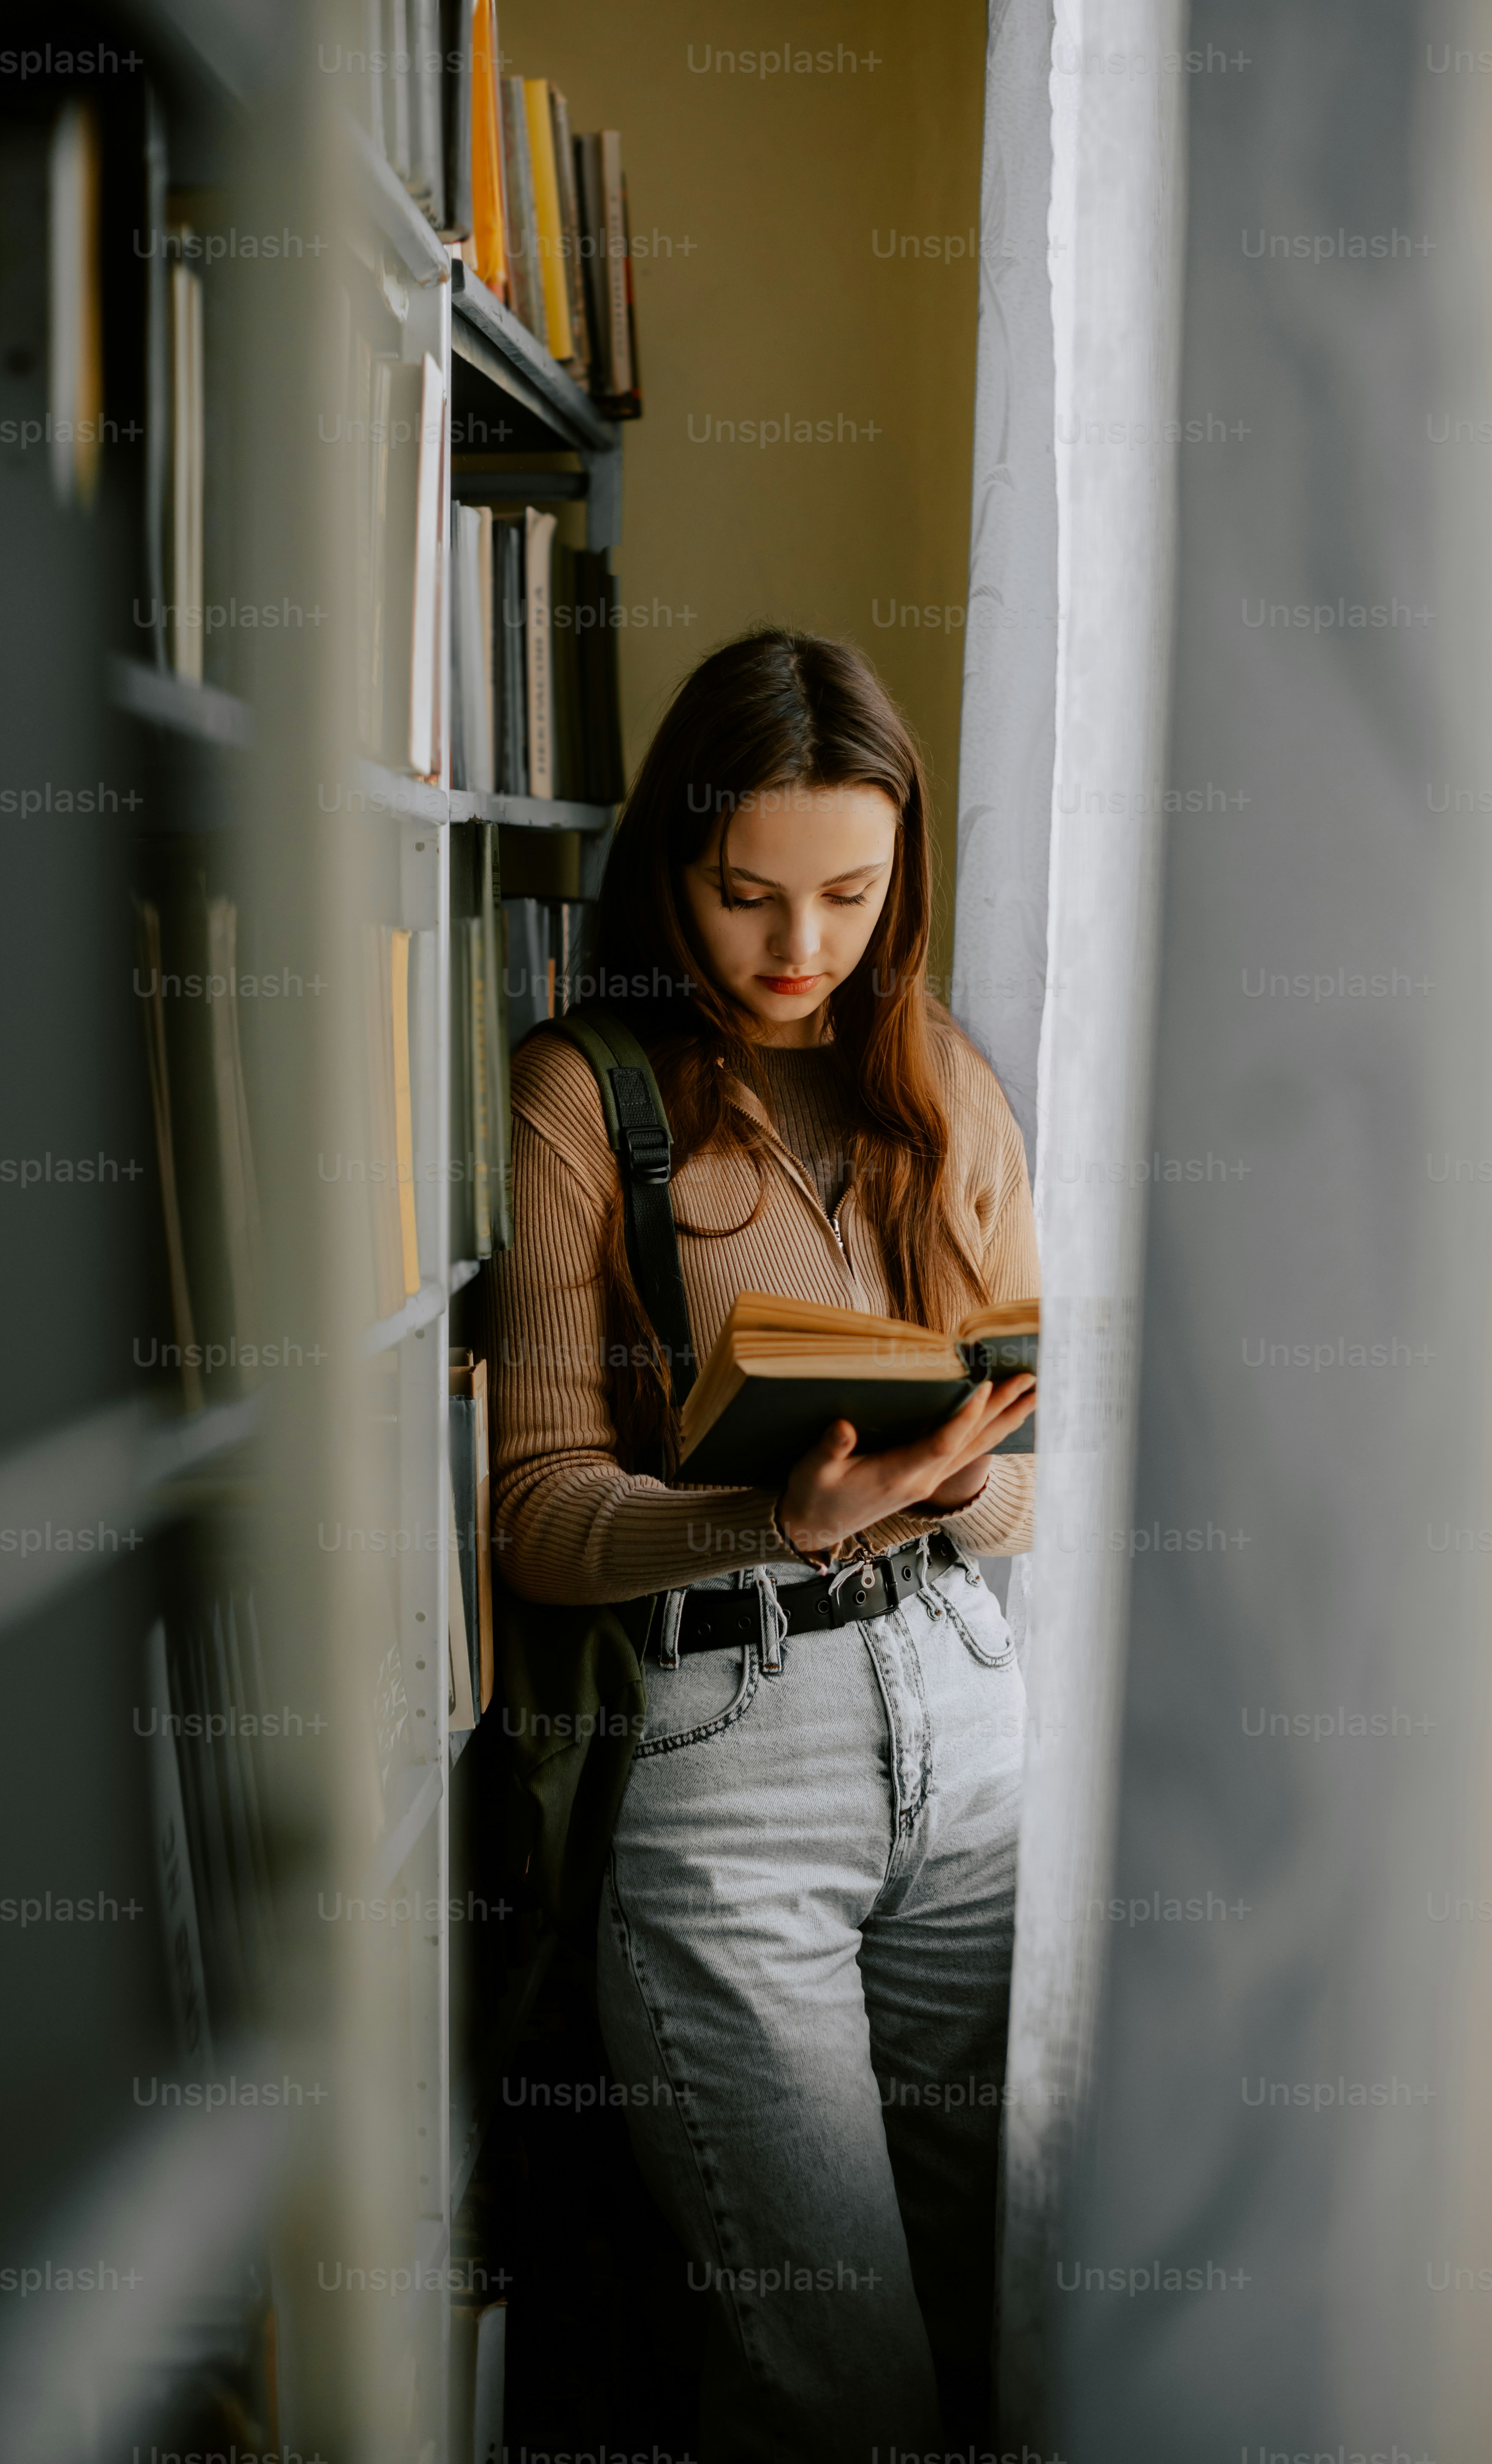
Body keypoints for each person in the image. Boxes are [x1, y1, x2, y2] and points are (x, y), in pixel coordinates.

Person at [487, 631, 1038, 2464]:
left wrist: (951, 1477)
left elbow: (1031, 1491)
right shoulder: (588, 1092)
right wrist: (768, 1517)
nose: (803, 946)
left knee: (1002, 2320)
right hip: (727, 1757)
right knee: (837, 2378)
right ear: (674, 868)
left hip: (969, 1725)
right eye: (748, 895)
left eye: (854, 895)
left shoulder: (944, 1080)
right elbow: (541, 1509)